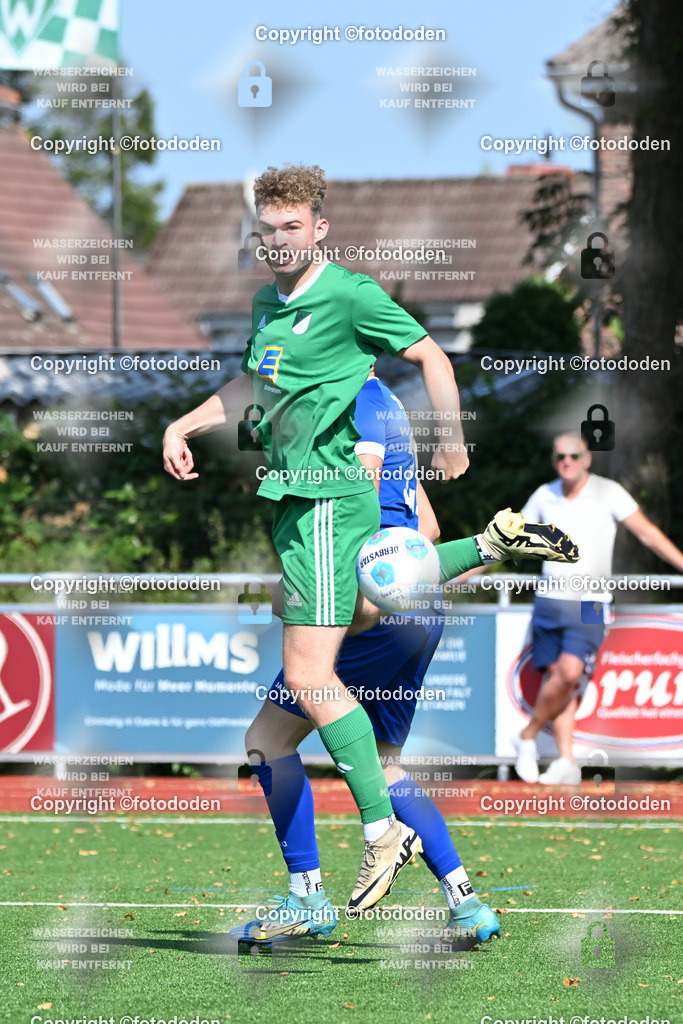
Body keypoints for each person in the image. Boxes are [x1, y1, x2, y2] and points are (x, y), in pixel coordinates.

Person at [163, 163, 574, 916]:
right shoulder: (264, 306)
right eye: (268, 229)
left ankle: (381, 831)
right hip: (294, 510)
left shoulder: (349, 296)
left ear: (319, 229)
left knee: (314, 675)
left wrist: (450, 442)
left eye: (294, 227)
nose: (280, 241)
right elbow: (253, 388)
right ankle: (310, 896)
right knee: (269, 735)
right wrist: (184, 422)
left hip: (326, 506)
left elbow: (431, 355)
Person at [230, 374, 577, 949]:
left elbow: (354, 513)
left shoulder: (349, 402)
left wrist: (327, 596)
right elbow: (429, 527)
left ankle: (309, 896)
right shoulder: (386, 402)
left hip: (371, 608)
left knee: (268, 739)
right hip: (420, 607)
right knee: (384, 763)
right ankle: (467, 904)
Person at [514, 431, 683, 785]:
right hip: (549, 601)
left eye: (574, 456)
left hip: (590, 604)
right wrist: (460, 571)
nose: (567, 462)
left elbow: (647, 533)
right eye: (560, 456)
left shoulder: (609, 492)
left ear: (588, 458)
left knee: (570, 672)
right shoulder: (544, 495)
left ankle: (527, 735)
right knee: (556, 677)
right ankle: (565, 759)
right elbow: (508, 539)